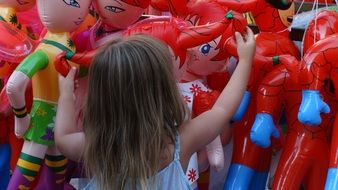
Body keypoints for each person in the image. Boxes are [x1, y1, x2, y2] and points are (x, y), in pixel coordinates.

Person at [55, 28, 255, 190]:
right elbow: (222, 110)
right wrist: (245, 61)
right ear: (164, 92)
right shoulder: (180, 142)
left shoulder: (96, 145)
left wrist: (66, 95)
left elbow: (63, 139)